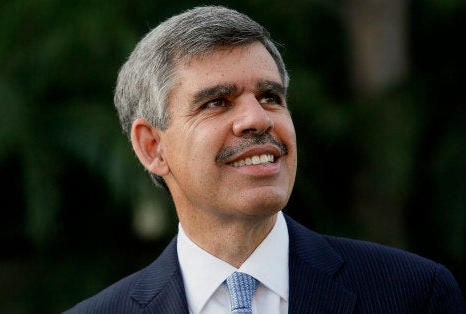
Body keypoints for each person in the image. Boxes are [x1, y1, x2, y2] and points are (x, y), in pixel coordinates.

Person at [65, 5, 464, 314]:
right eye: (217, 102)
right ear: (152, 147)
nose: (257, 118)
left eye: (271, 97)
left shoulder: (413, 294)